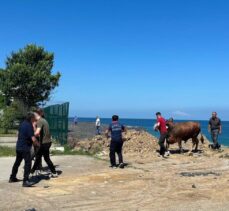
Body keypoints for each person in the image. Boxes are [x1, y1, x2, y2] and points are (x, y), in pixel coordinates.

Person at [9, 112, 39, 187]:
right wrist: (38, 144)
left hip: (19, 146)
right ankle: (25, 181)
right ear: (31, 118)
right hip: (25, 148)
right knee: (28, 163)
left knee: (17, 162)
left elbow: (17, 133)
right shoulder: (29, 126)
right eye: (34, 117)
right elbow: (33, 138)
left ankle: (12, 177)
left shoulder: (22, 123)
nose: (35, 119)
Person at [31, 108, 58, 177]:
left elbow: (37, 133)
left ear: (36, 114)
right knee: (42, 157)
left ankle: (32, 172)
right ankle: (54, 172)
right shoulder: (43, 120)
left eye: (33, 114)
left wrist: (29, 135)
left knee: (40, 157)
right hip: (47, 142)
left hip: (44, 143)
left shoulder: (40, 121)